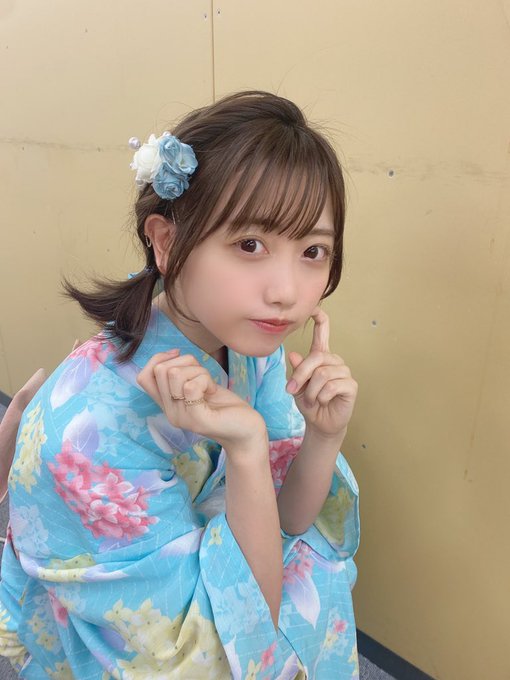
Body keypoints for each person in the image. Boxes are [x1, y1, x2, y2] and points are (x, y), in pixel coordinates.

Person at [0, 91, 360, 679]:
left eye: (313, 251)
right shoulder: (86, 435)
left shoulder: (249, 347)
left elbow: (290, 521)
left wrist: (324, 436)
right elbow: (223, 646)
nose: (288, 292)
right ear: (166, 242)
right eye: (250, 245)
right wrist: (247, 448)